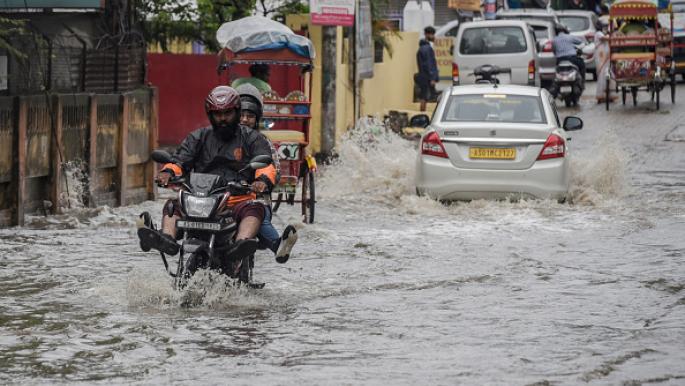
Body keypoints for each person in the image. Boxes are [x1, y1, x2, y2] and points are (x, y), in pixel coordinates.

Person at [138, 86, 277, 271]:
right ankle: (167, 239)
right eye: (218, 114)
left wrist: (262, 182)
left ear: (236, 112)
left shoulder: (252, 138)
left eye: (227, 113)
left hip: (236, 201)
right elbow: (180, 160)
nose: (223, 118)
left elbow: (266, 166)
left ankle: (241, 245)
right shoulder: (198, 137)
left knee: (255, 208)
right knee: (172, 205)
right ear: (210, 114)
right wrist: (168, 173)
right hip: (199, 201)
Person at [235, 83, 298, 263]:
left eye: (250, 116)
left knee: (257, 212)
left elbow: (273, 170)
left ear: (257, 119)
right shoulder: (217, 138)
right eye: (241, 115)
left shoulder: (262, 142)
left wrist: (262, 182)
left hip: (252, 198)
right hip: (223, 197)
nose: (245, 120)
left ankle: (278, 245)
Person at [416, 26, 439, 112]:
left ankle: (423, 113)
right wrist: (432, 78)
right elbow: (429, 64)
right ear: (427, 35)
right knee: (426, 98)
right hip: (427, 77)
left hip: (423, 76)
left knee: (423, 97)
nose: (433, 37)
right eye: (432, 34)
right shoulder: (427, 49)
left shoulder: (422, 48)